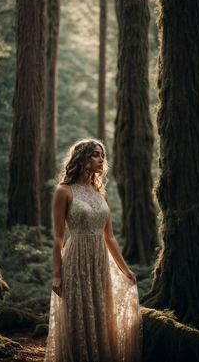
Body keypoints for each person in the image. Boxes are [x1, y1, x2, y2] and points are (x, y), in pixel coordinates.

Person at [44, 138, 142, 362]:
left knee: (100, 312)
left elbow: (110, 237)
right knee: (79, 313)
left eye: (102, 155)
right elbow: (59, 237)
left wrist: (125, 269)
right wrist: (57, 275)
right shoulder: (64, 191)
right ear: (82, 159)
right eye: (96, 154)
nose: (101, 159)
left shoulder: (102, 193)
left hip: (100, 262)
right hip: (76, 259)